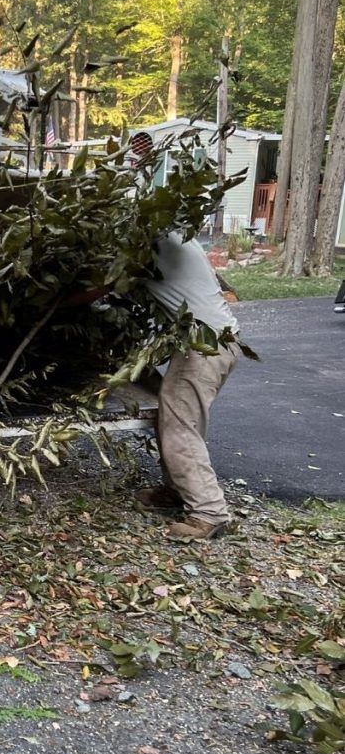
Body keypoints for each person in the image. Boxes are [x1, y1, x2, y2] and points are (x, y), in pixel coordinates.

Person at [136, 231, 240, 539]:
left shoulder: (151, 240)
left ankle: (209, 513)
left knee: (180, 423)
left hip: (205, 345)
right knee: (176, 418)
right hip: (214, 341)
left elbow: (100, 286)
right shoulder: (177, 235)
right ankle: (177, 491)